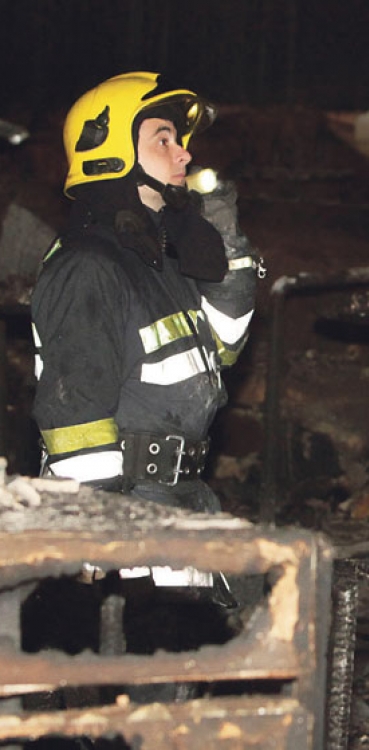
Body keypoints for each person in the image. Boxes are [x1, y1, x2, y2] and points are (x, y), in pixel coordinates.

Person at [30, 71, 262, 598]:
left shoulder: (161, 259)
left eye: (180, 141)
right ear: (109, 152)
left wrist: (228, 251)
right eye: (163, 139)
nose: (184, 154)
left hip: (178, 500)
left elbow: (222, 349)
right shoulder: (89, 266)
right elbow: (74, 411)